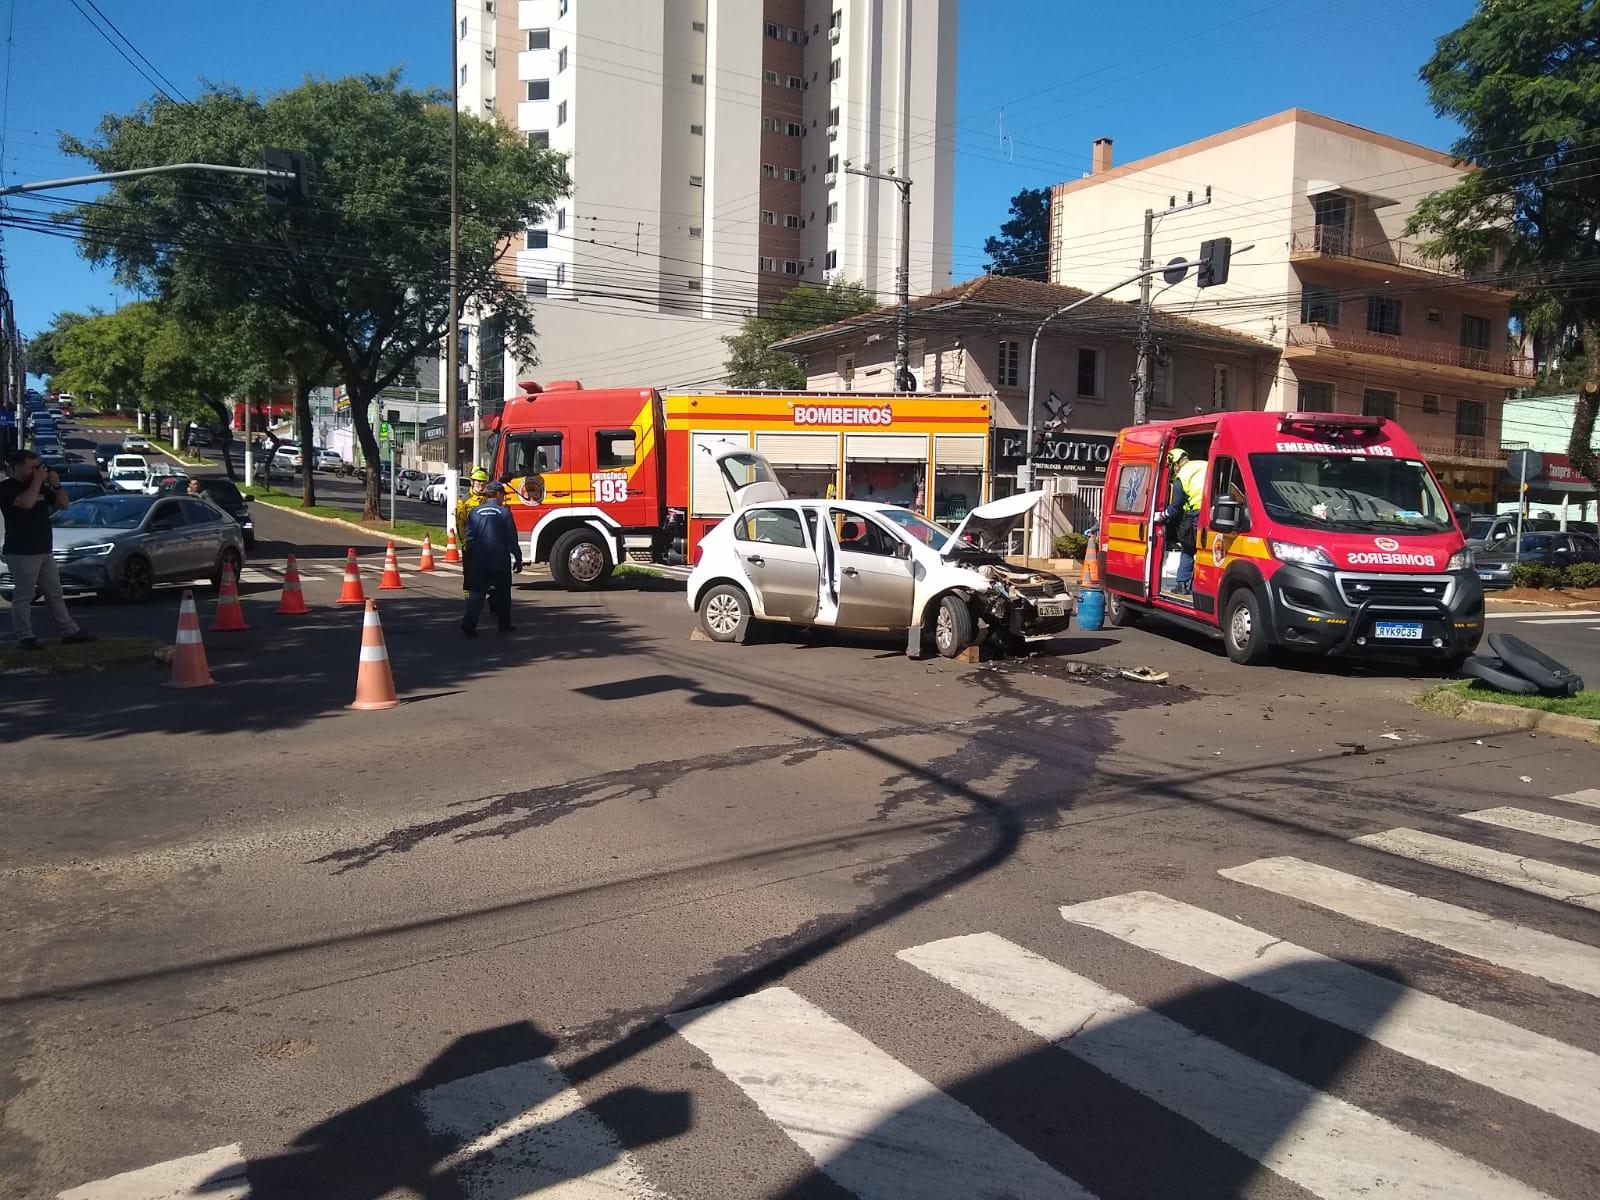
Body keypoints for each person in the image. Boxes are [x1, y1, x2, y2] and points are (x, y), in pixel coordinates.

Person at [1, 450, 96, 650]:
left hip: (44, 548)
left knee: (54, 593)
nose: (36, 471)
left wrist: (56, 484)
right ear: (18, 467)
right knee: (24, 595)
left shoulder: (41, 487)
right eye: (31, 467)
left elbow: (64, 504)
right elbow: (25, 503)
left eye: (38, 467)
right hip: (21, 551)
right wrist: (37, 481)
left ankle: (70, 631)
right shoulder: (7, 488)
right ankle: (25, 636)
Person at [461, 482, 523, 637]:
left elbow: (469, 538)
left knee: (477, 594)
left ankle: (469, 622)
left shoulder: (474, 512)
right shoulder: (504, 513)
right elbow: (512, 539)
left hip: (479, 561)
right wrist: (518, 558)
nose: (504, 499)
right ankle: (504, 624)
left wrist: (471, 560)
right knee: (503, 594)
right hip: (499, 560)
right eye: (503, 495)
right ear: (498, 495)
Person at [1160, 446, 1207, 596]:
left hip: (1195, 514)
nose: (1173, 470)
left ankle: (1182, 585)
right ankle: (1200, 587)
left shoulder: (1181, 476)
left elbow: (1177, 505)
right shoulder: (1205, 464)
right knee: (1205, 552)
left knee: (1188, 549)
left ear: (1176, 463)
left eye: (1172, 467)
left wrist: (1162, 515)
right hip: (1213, 513)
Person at [454, 467, 491, 593]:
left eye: (483, 482)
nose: (481, 485)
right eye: (478, 482)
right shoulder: (464, 501)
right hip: (471, 542)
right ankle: (467, 596)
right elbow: (460, 523)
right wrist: (464, 541)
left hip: (487, 542)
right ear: (472, 482)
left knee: (487, 571)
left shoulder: (489, 499)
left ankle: (484, 594)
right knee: (469, 572)